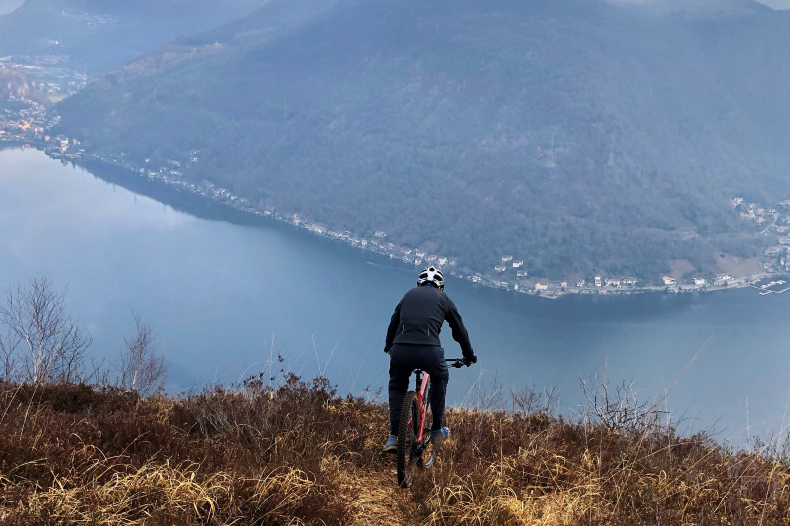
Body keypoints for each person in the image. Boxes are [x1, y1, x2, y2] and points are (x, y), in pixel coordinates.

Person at [382, 266, 477, 453]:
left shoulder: (407, 295)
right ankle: (436, 430)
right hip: (430, 352)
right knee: (440, 378)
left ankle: (394, 437)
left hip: (400, 350)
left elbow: (393, 324)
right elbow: (459, 331)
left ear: (418, 285)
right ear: (441, 288)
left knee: (397, 386)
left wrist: (388, 347)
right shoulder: (444, 299)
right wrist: (469, 355)